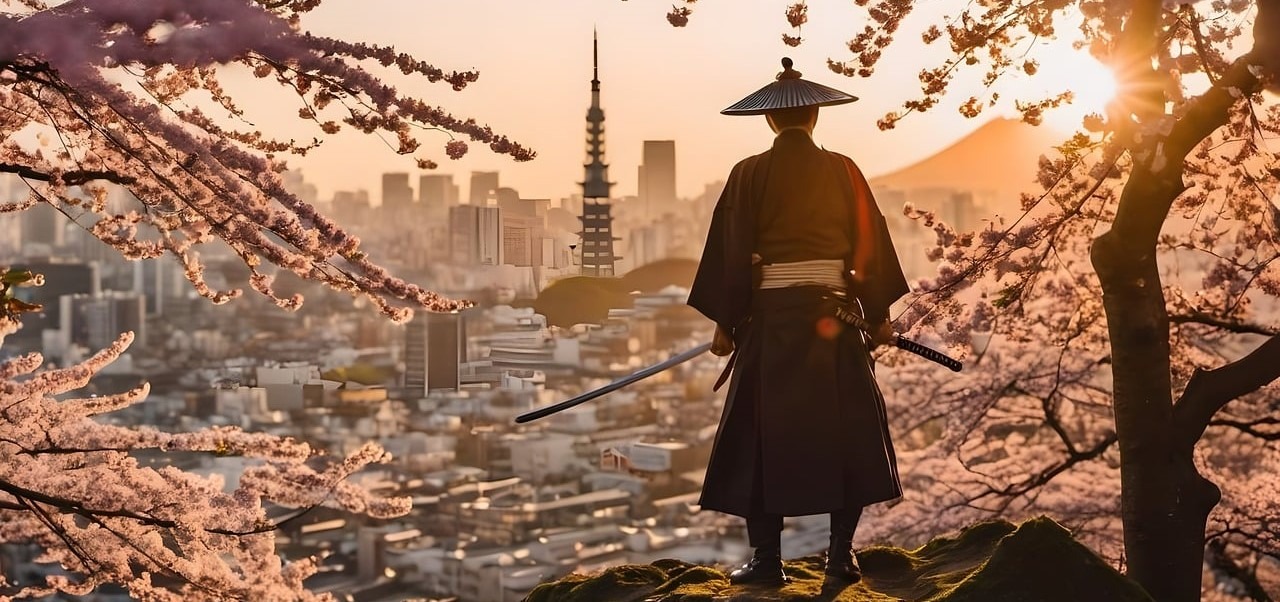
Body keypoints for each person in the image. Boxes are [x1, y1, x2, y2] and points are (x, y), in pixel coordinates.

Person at [687, 57, 910, 587]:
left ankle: (767, 561)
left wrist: (724, 322)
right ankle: (840, 557)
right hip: (831, 319)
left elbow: (732, 249)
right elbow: (869, 242)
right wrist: (876, 315)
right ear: (814, 117)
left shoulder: (748, 173)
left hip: (768, 323)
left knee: (756, 437)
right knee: (847, 433)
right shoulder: (844, 169)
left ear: (769, 122)